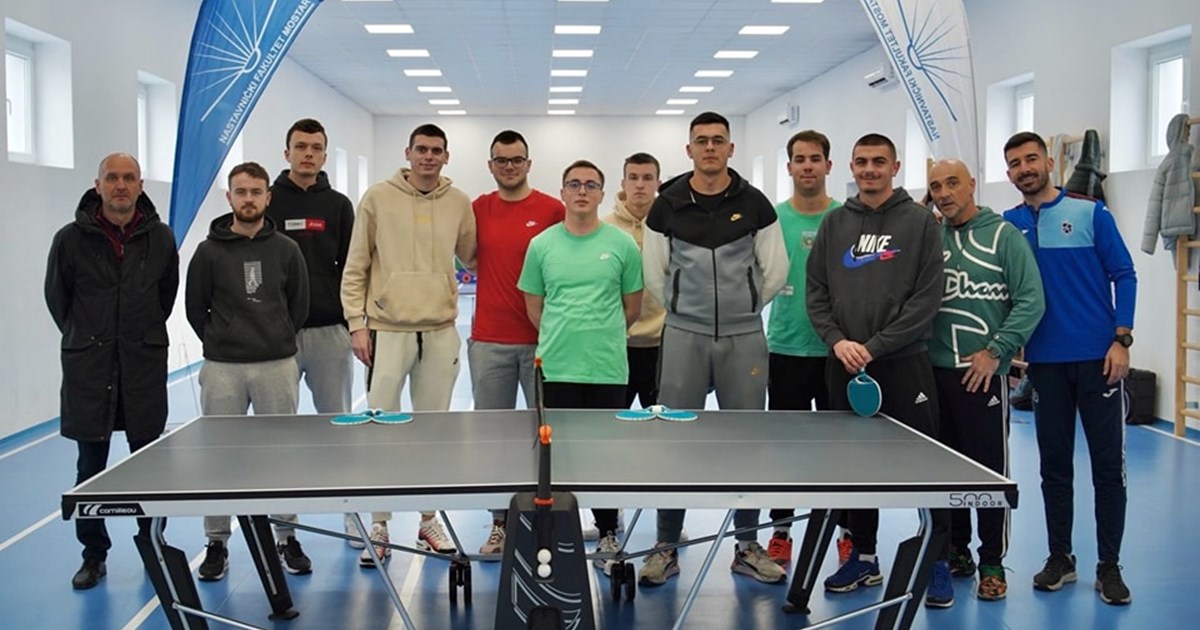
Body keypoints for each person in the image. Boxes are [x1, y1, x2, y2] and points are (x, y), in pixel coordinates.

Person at [641, 111, 789, 586]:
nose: (709, 148)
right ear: (688, 150)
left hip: (744, 339)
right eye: (701, 141)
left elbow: (775, 271)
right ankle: (666, 545)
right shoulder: (666, 206)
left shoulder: (757, 204)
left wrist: (746, 308)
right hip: (684, 335)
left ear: (730, 149)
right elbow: (655, 274)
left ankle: (746, 546)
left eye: (718, 141)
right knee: (672, 445)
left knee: (747, 444)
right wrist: (687, 311)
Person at [806, 134, 946, 602]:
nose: (870, 169)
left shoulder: (922, 223)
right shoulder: (833, 224)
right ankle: (863, 557)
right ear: (851, 166)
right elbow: (817, 291)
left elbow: (927, 299)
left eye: (879, 162)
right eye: (862, 162)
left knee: (928, 465)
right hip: (844, 363)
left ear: (895, 166)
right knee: (854, 467)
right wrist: (838, 341)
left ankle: (937, 557)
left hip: (904, 364)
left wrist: (877, 345)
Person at [1001, 131, 1137, 605]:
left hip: (1099, 362)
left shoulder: (1090, 213)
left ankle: (1109, 565)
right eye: (1015, 163)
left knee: (1107, 469)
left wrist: (1122, 339)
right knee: (1054, 469)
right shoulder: (1007, 225)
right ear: (1009, 174)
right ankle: (1061, 557)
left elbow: (1125, 274)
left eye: (1031, 159)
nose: (1025, 169)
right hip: (1045, 366)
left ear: (1048, 162)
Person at [342, 123, 477, 565]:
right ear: (408, 152)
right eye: (421, 149)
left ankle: (427, 520)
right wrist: (357, 324)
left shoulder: (459, 202)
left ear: (446, 156)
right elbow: (356, 265)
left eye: (437, 150)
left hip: (440, 329)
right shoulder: (378, 199)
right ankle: (379, 524)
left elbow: (474, 256)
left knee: (434, 432)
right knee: (383, 429)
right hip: (388, 328)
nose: (428, 157)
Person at [45, 153, 179, 590]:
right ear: (97, 184)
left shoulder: (160, 238)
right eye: (112, 178)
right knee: (91, 470)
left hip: (142, 365)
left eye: (129, 178)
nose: (120, 185)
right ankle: (93, 555)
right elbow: (59, 301)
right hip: (90, 366)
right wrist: (92, 336)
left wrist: (134, 335)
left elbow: (165, 296)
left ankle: (152, 543)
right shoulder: (69, 239)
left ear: (141, 185)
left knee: (150, 466)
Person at [185, 161, 312, 581]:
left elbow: (299, 306)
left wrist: (274, 338)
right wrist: (223, 339)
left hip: (276, 365)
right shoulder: (208, 251)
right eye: (241, 192)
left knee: (284, 454)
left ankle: (286, 535)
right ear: (230, 198)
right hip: (223, 368)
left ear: (267, 197)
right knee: (219, 457)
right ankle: (217, 541)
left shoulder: (287, 250)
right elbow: (194, 308)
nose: (249, 199)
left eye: (256, 191)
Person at [517, 159, 643, 576]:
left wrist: (598, 335)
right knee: (559, 458)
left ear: (603, 193)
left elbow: (632, 307)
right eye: (574, 184)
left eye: (591, 184)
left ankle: (608, 531)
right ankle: (561, 528)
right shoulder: (542, 245)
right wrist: (564, 335)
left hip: (607, 367)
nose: (582, 191)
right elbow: (535, 307)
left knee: (606, 455)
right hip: (556, 367)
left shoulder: (623, 244)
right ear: (563, 192)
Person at [928, 158, 1045, 603]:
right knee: (942, 473)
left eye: (953, 183)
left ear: (972, 185)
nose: (944, 193)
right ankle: (956, 552)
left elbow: (1031, 301)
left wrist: (995, 351)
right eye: (937, 186)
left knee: (988, 474)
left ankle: (992, 561)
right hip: (932, 374)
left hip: (982, 378)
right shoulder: (929, 237)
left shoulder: (1003, 237)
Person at [265, 118, 361, 547]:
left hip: (328, 333)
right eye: (300, 146)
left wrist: (354, 323)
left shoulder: (339, 206)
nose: (308, 153)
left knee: (339, 431)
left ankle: (351, 519)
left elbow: (353, 268)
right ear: (286, 153)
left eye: (316, 147)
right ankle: (285, 531)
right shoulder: (266, 201)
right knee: (280, 438)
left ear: (324, 154)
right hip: (276, 340)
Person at [469, 130, 564, 556]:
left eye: (517, 159)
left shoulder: (552, 210)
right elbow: (467, 258)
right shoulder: (476, 210)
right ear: (490, 165)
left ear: (529, 163)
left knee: (546, 437)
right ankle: (499, 524)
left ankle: (552, 520)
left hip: (544, 343)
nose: (509, 166)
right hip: (489, 342)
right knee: (494, 439)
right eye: (501, 160)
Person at [763, 130, 841, 566]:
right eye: (799, 159)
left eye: (815, 158)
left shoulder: (846, 219)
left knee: (840, 450)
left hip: (836, 353)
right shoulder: (773, 220)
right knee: (785, 449)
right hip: (786, 350)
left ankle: (847, 530)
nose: (807, 165)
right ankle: (781, 530)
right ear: (789, 167)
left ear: (828, 166)